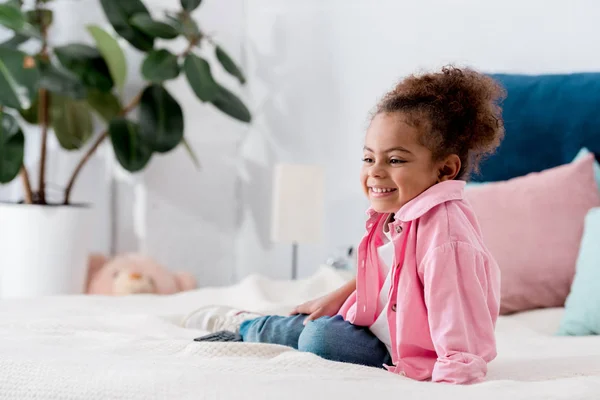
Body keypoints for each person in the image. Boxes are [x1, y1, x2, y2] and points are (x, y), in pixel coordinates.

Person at [183, 66, 504, 384]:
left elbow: (457, 315)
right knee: (311, 323)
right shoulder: (402, 212)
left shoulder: (446, 236)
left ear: (445, 169)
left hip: (409, 355)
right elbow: (393, 272)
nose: (375, 172)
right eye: (368, 158)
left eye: (395, 160)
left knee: (319, 338)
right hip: (381, 329)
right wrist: (338, 296)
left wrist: (455, 376)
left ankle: (248, 327)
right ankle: (247, 325)